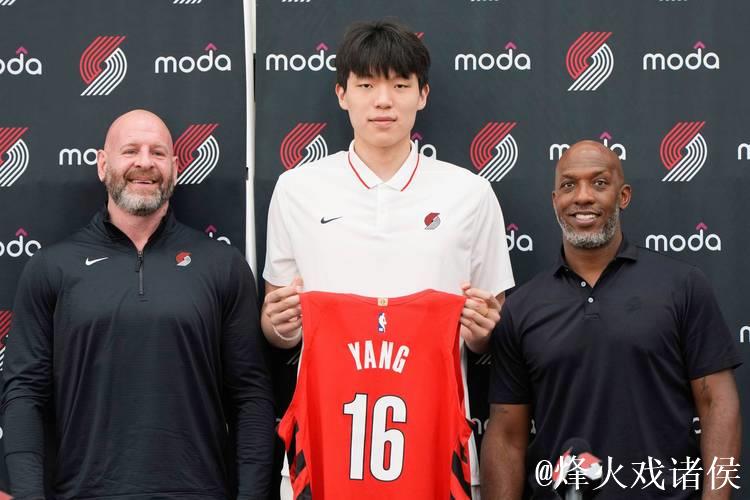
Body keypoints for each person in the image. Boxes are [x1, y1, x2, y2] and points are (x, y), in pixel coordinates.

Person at [262, 19, 514, 498]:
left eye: (400, 85)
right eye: (366, 85)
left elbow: (489, 328)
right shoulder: (296, 190)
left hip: (433, 448)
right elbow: (279, 327)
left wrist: (483, 330)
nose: (383, 101)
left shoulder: (470, 193)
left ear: (422, 95)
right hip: (325, 449)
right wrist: (278, 324)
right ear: (342, 94)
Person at [2, 109, 275, 499]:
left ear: (175, 167)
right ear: (103, 164)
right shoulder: (51, 268)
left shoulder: (222, 266)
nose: (145, 162)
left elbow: (250, 397)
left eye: (158, 153)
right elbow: (24, 394)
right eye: (130, 150)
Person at [482, 140, 742, 499]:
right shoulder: (521, 308)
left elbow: (717, 405)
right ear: (555, 200)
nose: (583, 197)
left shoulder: (682, 286)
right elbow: (507, 436)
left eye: (599, 183)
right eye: (569, 185)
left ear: (623, 196)